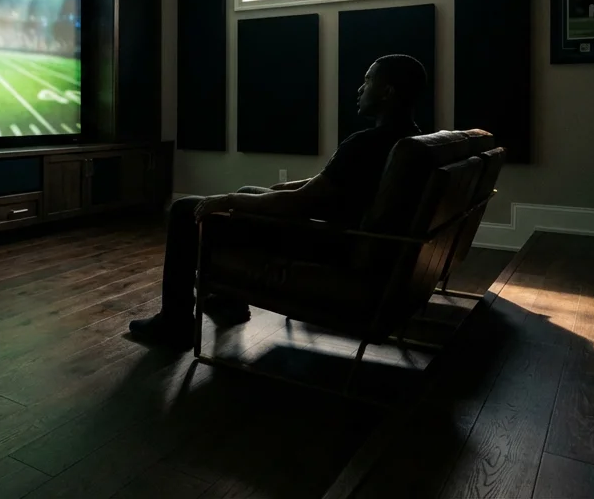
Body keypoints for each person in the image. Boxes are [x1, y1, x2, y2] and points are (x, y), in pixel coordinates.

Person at [127, 54, 427, 350]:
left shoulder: (365, 144)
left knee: (184, 209)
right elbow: (334, 184)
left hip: (330, 243)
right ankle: (228, 301)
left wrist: (228, 199)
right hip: (352, 239)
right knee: (249, 190)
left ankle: (174, 324)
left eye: (368, 80)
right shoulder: (411, 141)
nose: (360, 89)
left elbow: (297, 203)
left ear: (387, 91)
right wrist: (271, 190)